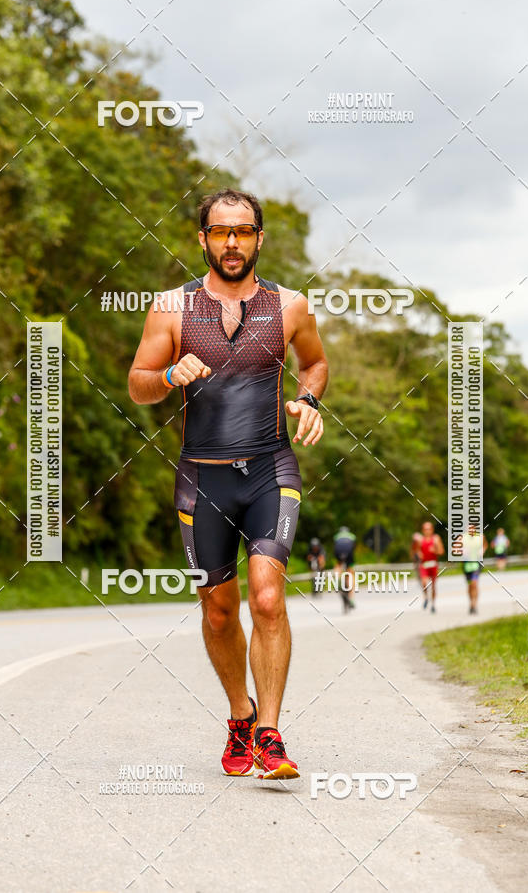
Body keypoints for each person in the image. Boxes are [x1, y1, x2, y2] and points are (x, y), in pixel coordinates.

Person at [129, 188, 328, 780]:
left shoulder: (291, 306)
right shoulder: (171, 308)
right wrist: (167, 373)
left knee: (267, 596)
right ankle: (240, 716)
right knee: (219, 611)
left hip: (270, 469)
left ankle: (269, 732)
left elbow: (314, 362)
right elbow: (138, 382)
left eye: (243, 232)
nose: (232, 243)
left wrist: (308, 397)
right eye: (221, 232)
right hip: (202, 478)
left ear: (260, 238)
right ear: (203, 239)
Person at [458, 524, 488, 614]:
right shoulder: (462, 538)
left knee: (474, 584)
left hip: (476, 564)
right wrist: (461, 551)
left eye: (472, 528)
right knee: (470, 585)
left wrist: (482, 551)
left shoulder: (480, 536)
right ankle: (470, 603)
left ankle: (474, 605)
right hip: (466, 564)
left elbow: (485, 545)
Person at [416, 521, 444, 613]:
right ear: (423, 530)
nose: (427, 531)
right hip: (424, 565)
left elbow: (441, 551)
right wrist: (419, 554)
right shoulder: (420, 540)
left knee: (433, 586)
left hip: (433, 565)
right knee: (424, 583)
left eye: (428, 529)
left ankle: (433, 604)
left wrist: (435, 550)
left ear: (432, 530)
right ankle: (426, 597)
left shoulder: (436, 539)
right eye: (425, 529)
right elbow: (418, 551)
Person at [333, 526, 357, 612]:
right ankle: (351, 598)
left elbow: (335, 546)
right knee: (350, 572)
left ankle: (337, 579)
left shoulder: (336, 536)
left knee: (338, 565)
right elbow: (353, 548)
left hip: (338, 552)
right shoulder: (352, 536)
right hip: (349, 554)